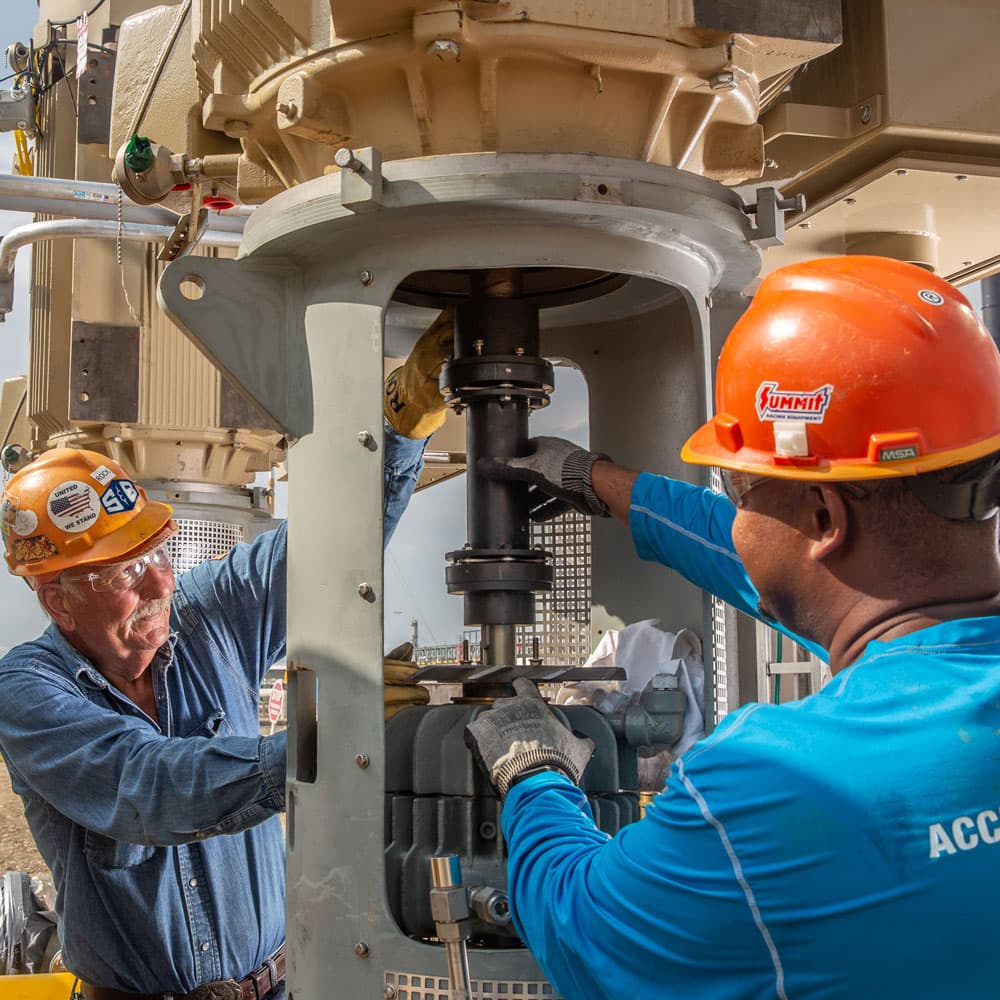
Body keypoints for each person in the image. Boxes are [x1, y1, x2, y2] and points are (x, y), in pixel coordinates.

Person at [466, 255, 1000, 998]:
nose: (738, 518)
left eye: (741, 492)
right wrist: (600, 481)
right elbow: (771, 559)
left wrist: (534, 776)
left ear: (824, 517)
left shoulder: (771, 789)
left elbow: (584, 930)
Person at [0, 312, 453, 1000]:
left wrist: (399, 426)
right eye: (123, 574)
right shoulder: (29, 694)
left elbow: (328, 551)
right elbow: (146, 785)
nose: (160, 584)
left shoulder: (211, 616)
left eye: (157, 554)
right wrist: (314, 747)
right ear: (57, 599)